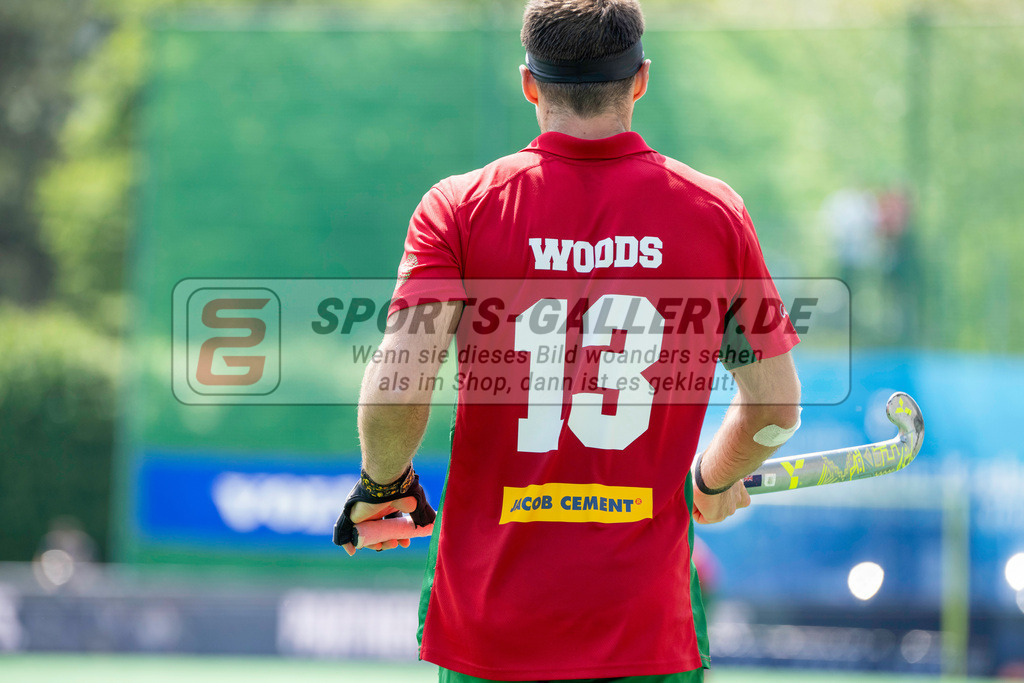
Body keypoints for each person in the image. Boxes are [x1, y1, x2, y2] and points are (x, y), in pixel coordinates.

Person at [333, 1, 801, 681]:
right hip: (645, 626)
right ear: (640, 80)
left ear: (529, 83)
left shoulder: (459, 208)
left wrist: (384, 485)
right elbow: (775, 408)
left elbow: (401, 380)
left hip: (490, 625)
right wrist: (712, 479)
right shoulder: (713, 214)